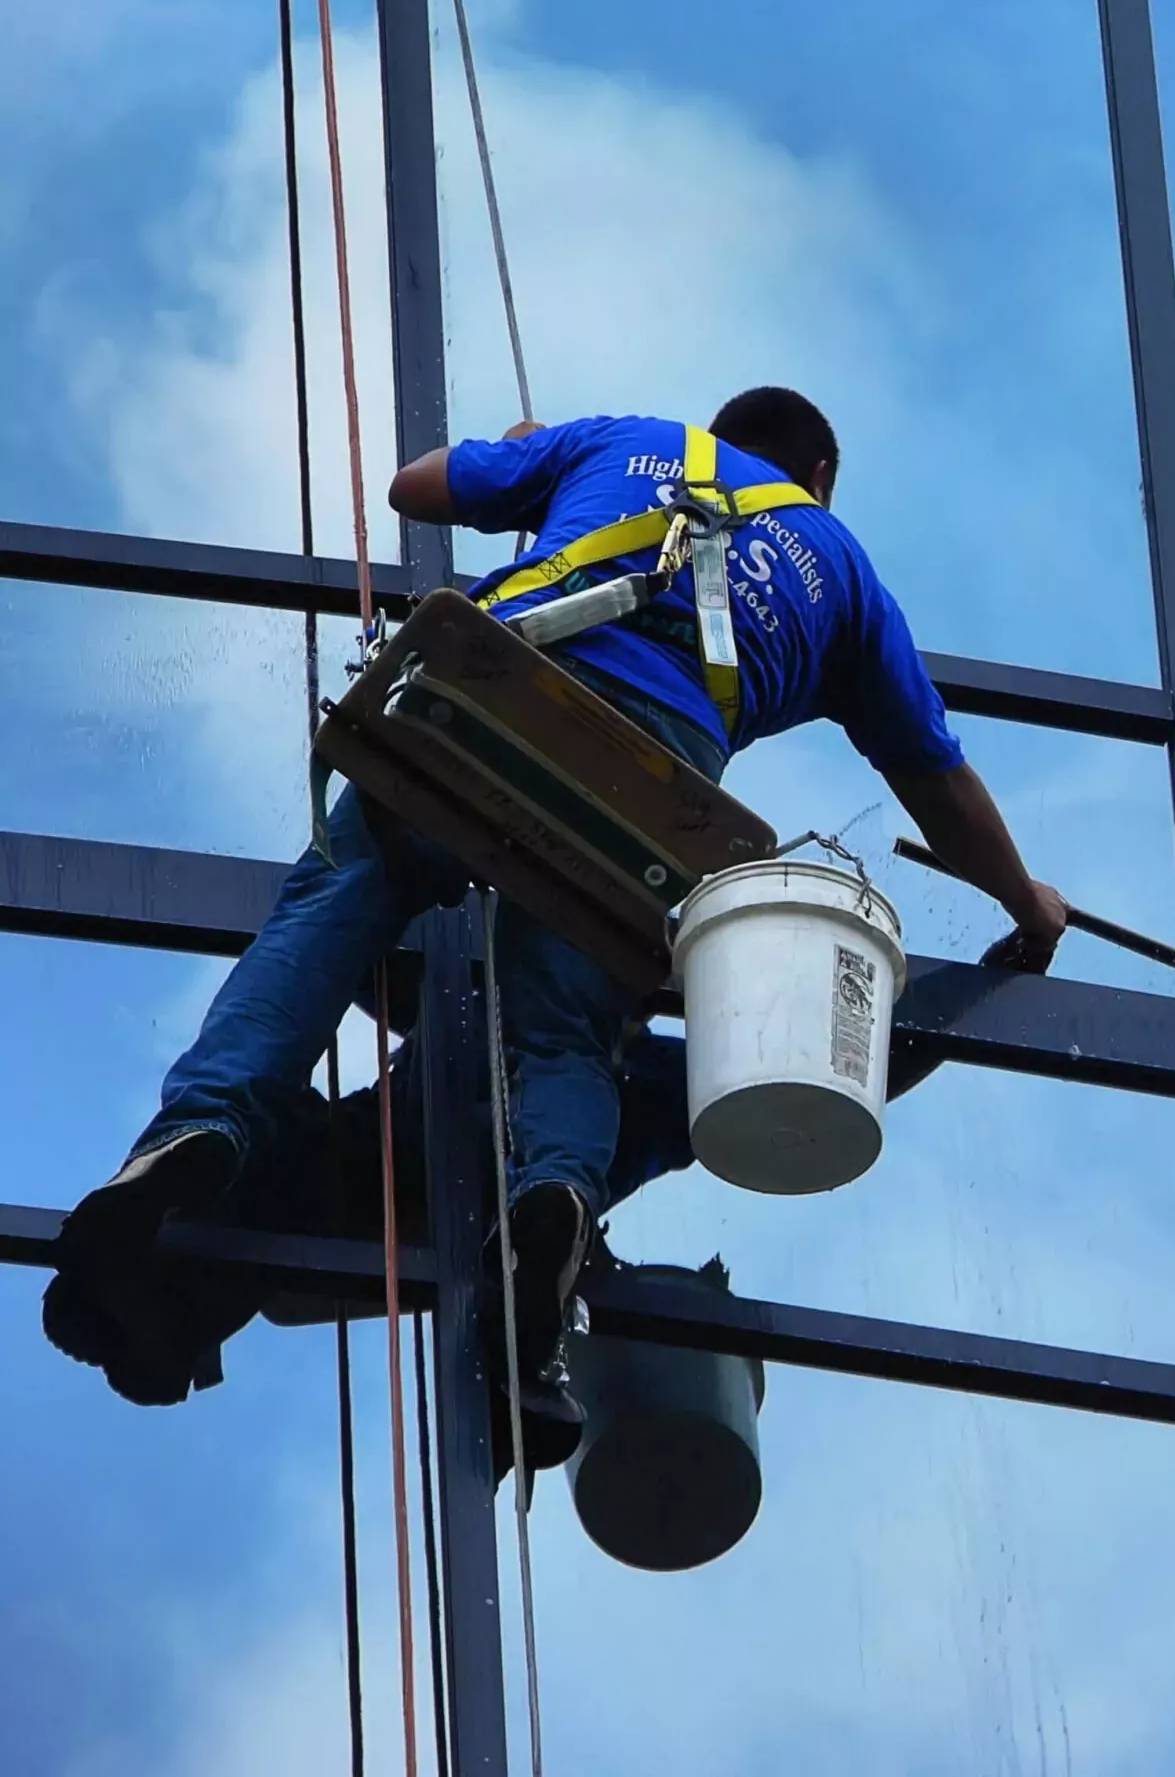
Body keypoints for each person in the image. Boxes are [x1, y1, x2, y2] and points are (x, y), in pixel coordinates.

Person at [45, 387, 1068, 1467]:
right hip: (646, 785)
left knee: (343, 891)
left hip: (497, 690)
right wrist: (1024, 902)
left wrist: (528, 453)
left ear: (722, 436)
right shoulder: (847, 574)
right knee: (568, 1033)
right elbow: (936, 780)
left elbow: (416, 486)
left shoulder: (629, 442)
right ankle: (554, 1200)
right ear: (821, 480)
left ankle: (203, 1124)